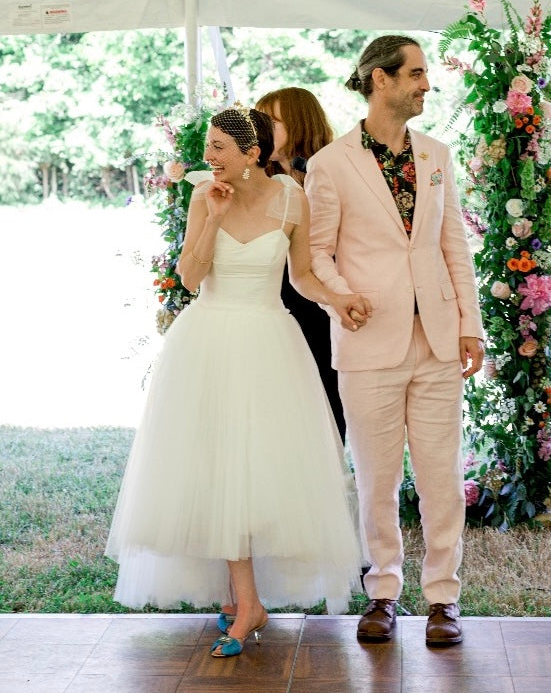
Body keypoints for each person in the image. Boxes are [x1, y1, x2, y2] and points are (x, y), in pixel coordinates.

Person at [106, 105, 368, 659]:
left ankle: (247, 602)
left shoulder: (291, 199)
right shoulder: (205, 196)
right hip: (208, 340)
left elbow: (300, 274)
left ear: (253, 153)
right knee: (215, 468)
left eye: (220, 147)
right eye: (208, 146)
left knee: (256, 471)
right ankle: (245, 602)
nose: (208, 157)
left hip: (269, 342)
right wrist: (216, 218)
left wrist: (339, 298)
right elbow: (190, 276)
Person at [305, 35, 484, 646]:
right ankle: (382, 590)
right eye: (416, 74)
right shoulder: (329, 164)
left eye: (426, 75)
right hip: (367, 339)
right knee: (376, 478)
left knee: (440, 476)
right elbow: (316, 252)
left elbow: (452, 245)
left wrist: (470, 323)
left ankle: (443, 598)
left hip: (436, 340)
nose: (426, 84)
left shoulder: (437, 155)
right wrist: (339, 293)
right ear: (380, 80)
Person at [255, 87, 346, 439]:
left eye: (272, 122)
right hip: (270, 308)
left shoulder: (328, 175)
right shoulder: (256, 181)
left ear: (299, 123)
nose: (261, 131)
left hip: (318, 308)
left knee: (325, 406)